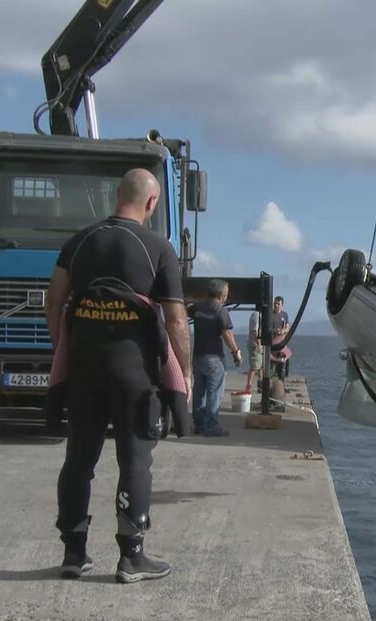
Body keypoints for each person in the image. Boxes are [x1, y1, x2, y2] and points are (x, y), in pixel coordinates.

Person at [45, 168, 192, 584]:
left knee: (78, 461)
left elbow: (54, 300)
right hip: (135, 374)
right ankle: (132, 557)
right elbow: (177, 320)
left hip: (85, 370)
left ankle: (74, 554)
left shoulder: (79, 241)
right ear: (151, 203)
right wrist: (183, 371)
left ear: (116, 196)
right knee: (135, 461)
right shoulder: (157, 247)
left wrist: (63, 346)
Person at [191, 279, 241, 436]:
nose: (227, 296)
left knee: (198, 392)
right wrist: (236, 351)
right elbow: (227, 333)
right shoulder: (221, 311)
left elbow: (185, 311)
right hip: (214, 358)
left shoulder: (197, 307)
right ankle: (211, 427)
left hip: (197, 356)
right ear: (221, 295)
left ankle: (199, 424)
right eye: (226, 293)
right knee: (215, 392)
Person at [271, 296, 291, 380]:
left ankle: (283, 377)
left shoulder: (284, 315)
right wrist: (275, 331)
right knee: (274, 360)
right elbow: (266, 327)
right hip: (273, 341)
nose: (276, 305)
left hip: (282, 341)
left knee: (286, 358)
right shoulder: (270, 314)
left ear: (281, 305)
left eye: (278, 304)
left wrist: (283, 331)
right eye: (275, 303)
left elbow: (287, 327)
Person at [245, 310, 263, 393]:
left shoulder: (261, 315)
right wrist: (258, 344)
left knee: (261, 366)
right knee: (254, 366)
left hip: (260, 343)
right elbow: (254, 331)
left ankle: (261, 385)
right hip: (255, 344)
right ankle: (248, 385)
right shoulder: (256, 315)